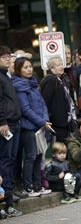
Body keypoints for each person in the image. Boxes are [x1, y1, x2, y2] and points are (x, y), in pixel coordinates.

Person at [12, 57, 52, 196]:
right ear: (18, 70)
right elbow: (25, 109)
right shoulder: (19, 86)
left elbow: (42, 104)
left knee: (39, 156)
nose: (29, 69)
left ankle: (37, 185)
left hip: (40, 126)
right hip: (28, 127)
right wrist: (41, 122)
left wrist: (45, 120)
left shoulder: (33, 84)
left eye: (30, 66)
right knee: (31, 156)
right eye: (25, 67)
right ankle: (28, 186)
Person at [0, 45, 23, 217]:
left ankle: (8, 202)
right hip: (6, 125)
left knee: (12, 160)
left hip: (15, 123)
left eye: (9, 56)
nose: (8, 59)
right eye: (4, 56)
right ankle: (6, 204)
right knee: (5, 162)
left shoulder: (6, 75)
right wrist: (2, 122)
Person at [41, 56, 76, 142]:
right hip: (57, 123)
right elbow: (45, 101)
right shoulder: (51, 80)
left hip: (66, 122)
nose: (61, 67)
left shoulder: (62, 79)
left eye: (61, 64)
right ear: (52, 68)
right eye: (58, 65)